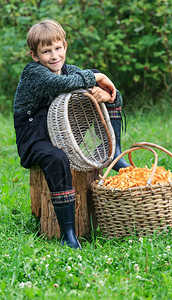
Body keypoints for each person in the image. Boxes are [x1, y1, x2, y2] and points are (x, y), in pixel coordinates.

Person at [13, 19, 129, 250]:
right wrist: (97, 76)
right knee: (57, 159)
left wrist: (108, 96)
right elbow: (58, 84)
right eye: (46, 51)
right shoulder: (34, 73)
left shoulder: (69, 70)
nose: (54, 56)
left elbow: (115, 96)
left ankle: (113, 152)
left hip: (64, 133)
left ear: (64, 46)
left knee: (94, 85)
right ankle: (68, 233)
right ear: (35, 56)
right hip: (35, 138)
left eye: (58, 48)